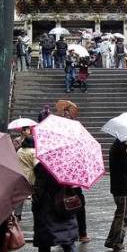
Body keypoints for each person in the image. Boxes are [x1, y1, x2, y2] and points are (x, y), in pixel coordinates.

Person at [31, 163, 85, 252]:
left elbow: (39, 192)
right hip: (65, 208)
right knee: (68, 240)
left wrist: (35, 206)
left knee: (44, 243)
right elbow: (78, 191)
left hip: (47, 210)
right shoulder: (70, 166)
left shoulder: (42, 167)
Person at [54, 100, 89, 242]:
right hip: (71, 178)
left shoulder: (59, 131)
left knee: (64, 205)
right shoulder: (74, 131)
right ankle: (82, 233)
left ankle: (73, 233)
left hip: (63, 178)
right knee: (77, 205)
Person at [104, 138, 127, 252]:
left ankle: (111, 240)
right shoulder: (119, 147)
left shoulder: (121, 146)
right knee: (122, 216)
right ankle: (118, 244)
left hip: (125, 187)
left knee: (121, 215)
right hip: (121, 187)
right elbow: (125, 166)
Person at [14, 130, 36, 219]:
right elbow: (36, 164)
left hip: (20, 175)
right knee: (35, 195)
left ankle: (17, 214)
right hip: (31, 177)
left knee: (20, 196)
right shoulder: (33, 152)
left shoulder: (19, 151)